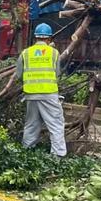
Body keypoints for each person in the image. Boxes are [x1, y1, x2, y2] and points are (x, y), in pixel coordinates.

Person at [16, 23, 66, 157]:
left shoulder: (25, 53)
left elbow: (19, 75)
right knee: (55, 125)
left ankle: (26, 152)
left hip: (31, 95)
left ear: (35, 38)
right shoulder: (54, 53)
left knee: (31, 125)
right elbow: (57, 73)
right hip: (49, 94)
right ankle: (58, 156)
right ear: (49, 39)